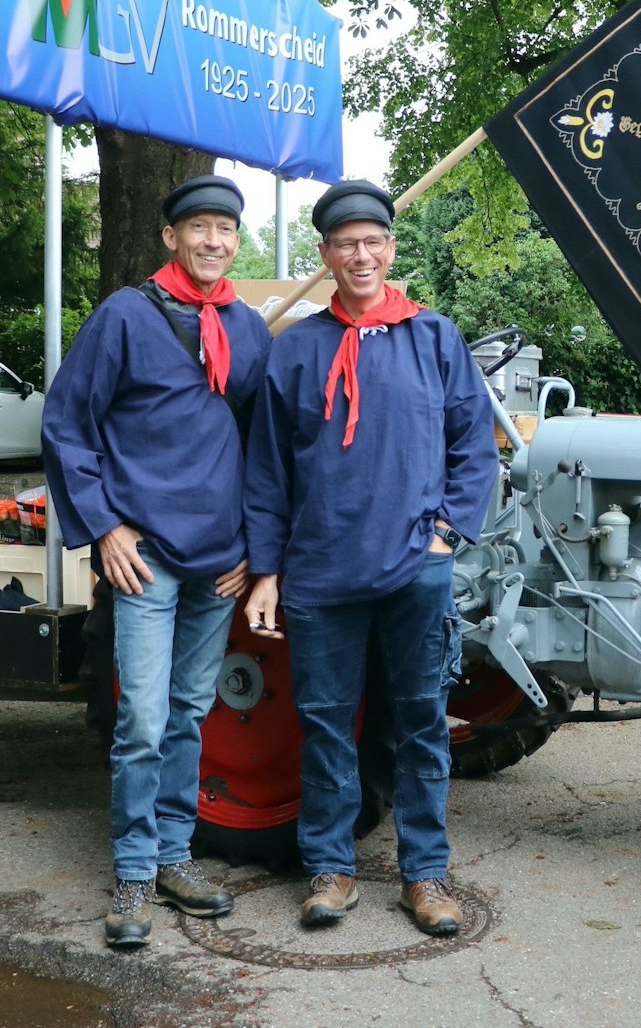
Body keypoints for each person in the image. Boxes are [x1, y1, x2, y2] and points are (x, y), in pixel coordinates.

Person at [243, 180, 499, 938]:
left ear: (390, 249)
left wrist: (446, 533)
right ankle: (330, 867)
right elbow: (267, 470)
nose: (360, 254)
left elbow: (472, 445)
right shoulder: (295, 350)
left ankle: (424, 874)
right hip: (321, 570)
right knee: (324, 725)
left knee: (421, 722)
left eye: (372, 241)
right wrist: (267, 568)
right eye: (345, 243)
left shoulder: (435, 337)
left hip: (414, 570)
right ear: (325, 255)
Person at [42, 174, 271, 949]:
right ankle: (135, 870)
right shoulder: (125, 317)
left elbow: (263, 447)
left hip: (220, 559)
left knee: (188, 713)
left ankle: (175, 853)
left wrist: (254, 547)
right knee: (140, 718)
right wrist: (104, 527)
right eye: (199, 227)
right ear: (170, 236)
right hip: (144, 554)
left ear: (238, 241)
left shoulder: (247, 327)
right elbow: (69, 423)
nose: (213, 240)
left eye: (226, 230)